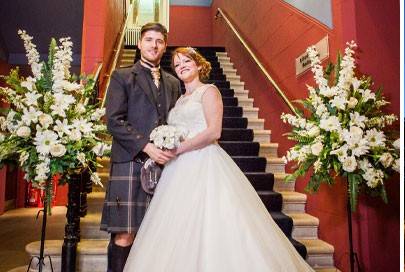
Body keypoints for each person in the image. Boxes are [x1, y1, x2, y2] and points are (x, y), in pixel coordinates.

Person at [123, 47, 313, 271]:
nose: (182, 65)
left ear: (198, 64)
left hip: (204, 161)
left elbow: (214, 132)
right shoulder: (180, 99)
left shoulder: (209, 91)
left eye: (186, 61)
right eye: (177, 64)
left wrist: (179, 148)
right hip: (177, 169)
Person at [102, 22, 180, 272]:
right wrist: (146, 146)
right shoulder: (122, 76)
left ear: (165, 46)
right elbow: (113, 120)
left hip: (165, 166)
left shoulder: (173, 82)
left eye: (159, 41)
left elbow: (176, 121)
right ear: (139, 43)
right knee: (125, 234)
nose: (154, 45)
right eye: (149, 39)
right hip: (130, 162)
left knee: (157, 235)